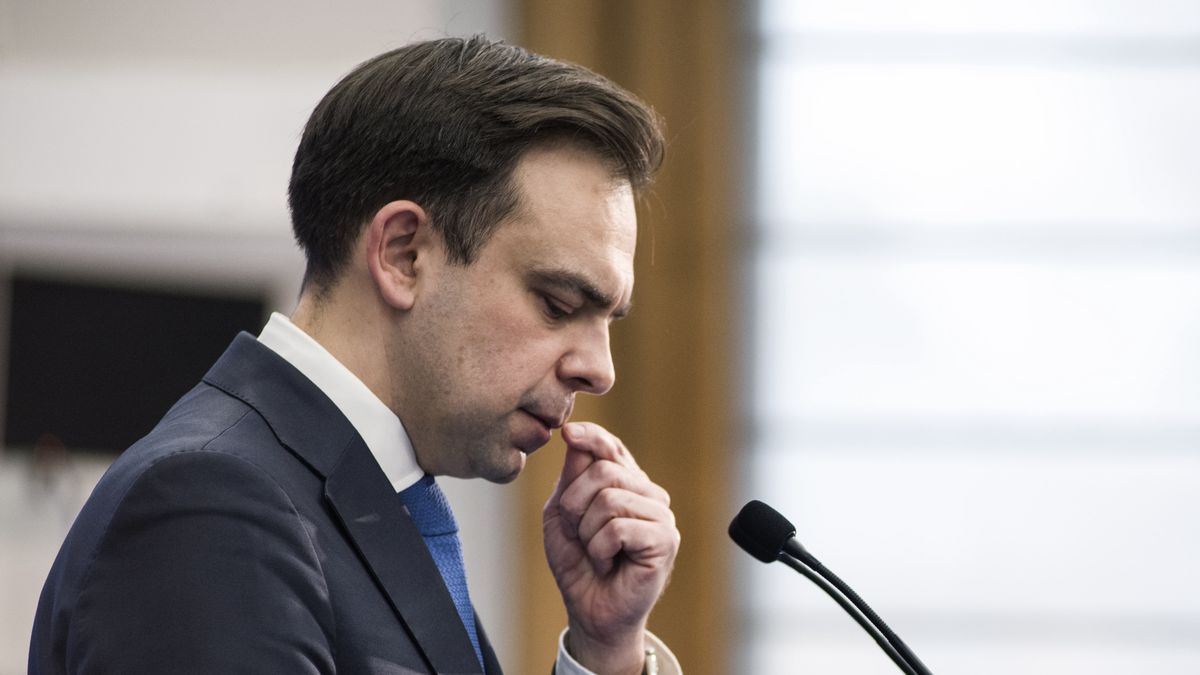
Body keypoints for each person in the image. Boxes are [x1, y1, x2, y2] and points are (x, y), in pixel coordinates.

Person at [28, 36, 681, 674]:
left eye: (607, 320)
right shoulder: (209, 504)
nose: (601, 369)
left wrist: (604, 650)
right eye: (559, 303)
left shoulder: (358, 495)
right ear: (403, 254)